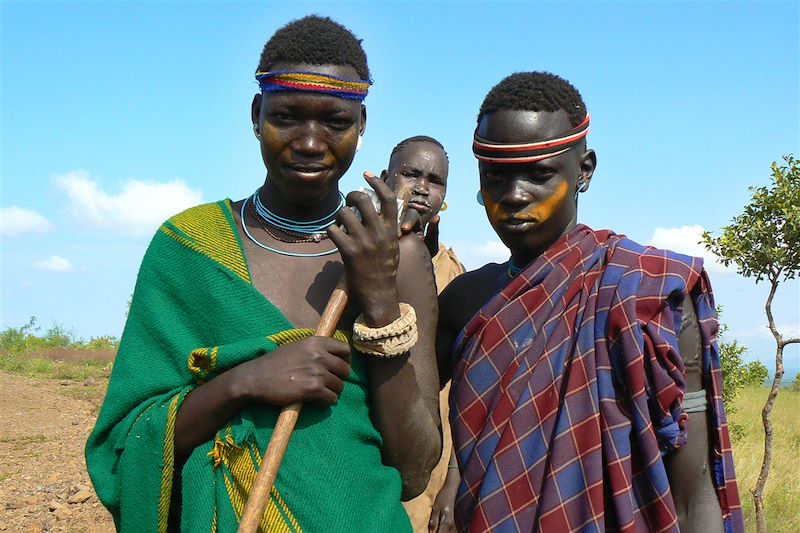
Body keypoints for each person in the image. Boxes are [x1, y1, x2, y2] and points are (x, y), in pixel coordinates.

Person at [86, 16, 441, 532]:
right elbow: (124, 445)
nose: (311, 143)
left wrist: (381, 300)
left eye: (336, 122)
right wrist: (244, 383)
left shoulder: (395, 254)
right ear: (257, 115)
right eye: (287, 117)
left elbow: (414, 468)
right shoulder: (189, 249)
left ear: (361, 126)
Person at [436, 72, 744, 532]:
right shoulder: (464, 301)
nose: (515, 197)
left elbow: (692, 489)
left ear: (584, 170)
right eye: (495, 177)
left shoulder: (647, 294)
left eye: (540, 175)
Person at [379, 135, 465, 532]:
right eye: (410, 173)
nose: (421, 188)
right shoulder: (346, 256)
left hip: (432, 456)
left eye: (435, 180)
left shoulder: (454, 274)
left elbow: (467, 390)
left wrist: (454, 479)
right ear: (384, 177)